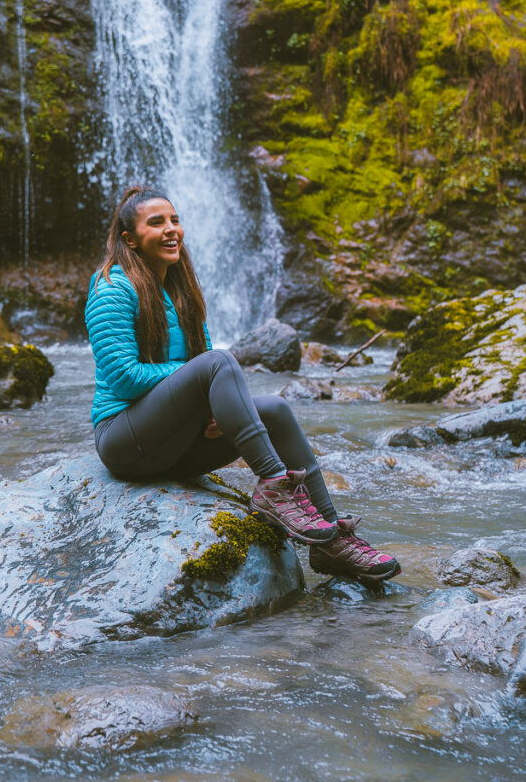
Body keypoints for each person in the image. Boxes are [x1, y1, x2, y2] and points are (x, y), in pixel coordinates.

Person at [85, 185, 400, 583]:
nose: (171, 230)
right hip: (125, 441)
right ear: (129, 239)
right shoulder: (111, 288)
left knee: (276, 410)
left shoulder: (181, 290)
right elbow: (125, 379)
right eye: (156, 222)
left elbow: (206, 364)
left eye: (175, 220)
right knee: (218, 363)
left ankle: (333, 541)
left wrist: (210, 402)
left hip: (173, 443)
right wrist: (202, 390)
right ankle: (274, 486)